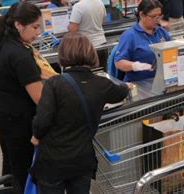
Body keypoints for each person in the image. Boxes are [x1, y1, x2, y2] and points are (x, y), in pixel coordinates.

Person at [31, 32, 129, 193]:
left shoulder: (54, 84)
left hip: (52, 162)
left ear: (63, 54)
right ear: (90, 53)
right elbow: (121, 92)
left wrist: (35, 136)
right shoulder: (102, 84)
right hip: (82, 161)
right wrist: (127, 86)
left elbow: (42, 120)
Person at [0, 2, 43, 189]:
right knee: (22, 168)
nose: (38, 32)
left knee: (10, 160)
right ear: (18, 25)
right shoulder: (21, 55)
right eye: (35, 27)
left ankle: (7, 188)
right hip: (17, 120)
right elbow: (39, 98)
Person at [115, 0, 171, 82]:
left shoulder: (162, 32)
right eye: (153, 17)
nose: (157, 20)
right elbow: (119, 62)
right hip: (139, 84)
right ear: (142, 15)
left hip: (160, 81)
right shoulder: (130, 36)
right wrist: (136, 66)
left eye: (159, 16)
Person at [68, 0, 108, 69]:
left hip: (88, 48)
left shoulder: (78, 6)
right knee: (102, 75)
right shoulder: (100, 2)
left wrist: (68, 26)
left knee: (89, 79)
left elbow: (73, 30)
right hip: (102, 45)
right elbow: (103, 21)